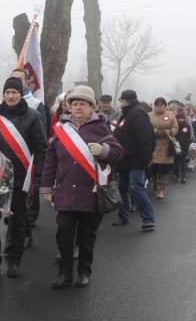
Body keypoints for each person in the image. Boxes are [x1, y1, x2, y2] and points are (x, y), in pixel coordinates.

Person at [40, 86, 123, 288]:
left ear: (91, 107)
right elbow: (50, 161)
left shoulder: (101, 128)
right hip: (66, 192)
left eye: (82, 104)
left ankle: (84, 271)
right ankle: (64, 273)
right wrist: (47, 188)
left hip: (92, 194)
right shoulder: (60, 129)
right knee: (64, 234)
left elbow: (119, 152)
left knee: (87, 236)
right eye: (74, 103)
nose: (78, 107)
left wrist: (103, 150)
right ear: (69, 106)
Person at [0, 76, 47, 278]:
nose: (10, 96)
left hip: (21, 178)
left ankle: (14, 259)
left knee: (17, 221)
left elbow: (42, 148)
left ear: (21, 93)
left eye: (14, 92)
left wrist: (37, 178)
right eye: (7, 92)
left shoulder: (33, 116)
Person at [9, 68, 49, 247]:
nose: (15, 82)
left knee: (22, 201)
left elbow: (43, 134)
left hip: (27, 160)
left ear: (27, 82)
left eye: (19, 79)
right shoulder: (1, 103)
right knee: (11, 203)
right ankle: (17, 233)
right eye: (13, 78)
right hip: (6, 164)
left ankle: (25, 234)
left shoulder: (36, 105)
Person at [112, 89, 157, 231]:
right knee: (121, 188)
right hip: (124, 160)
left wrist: (145, 159)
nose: (120, 103)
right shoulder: (127, 114)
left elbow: (146, 137)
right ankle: (123, 216)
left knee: (137, 188)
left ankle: (148, 219)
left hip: (136, 160)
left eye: (121, 101)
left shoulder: (137, 112)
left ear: (126, 101)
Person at [148, 97, 178, 200]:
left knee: (165, 167)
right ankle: (155, 185)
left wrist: (168, 132)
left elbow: (175, 127)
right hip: (154, 144)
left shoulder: (170, 115)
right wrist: (155, 131)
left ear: (165, 106)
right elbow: (147, 127)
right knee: (154, 166)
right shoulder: (150, 115)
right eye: (157, 106)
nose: (159, 108)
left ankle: (162, 188)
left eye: (161, 106)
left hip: (166, 144)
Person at [173, 109, 192, 183]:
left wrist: (186, 146)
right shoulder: (175, 126)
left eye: (182, 118)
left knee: (183, 162)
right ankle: (177, 175)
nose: (180, 120)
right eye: (179, 118)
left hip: (184, 147)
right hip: (176, 146)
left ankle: (184, 176)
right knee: (176, 162)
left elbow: (188, 137)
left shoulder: (187, 126)